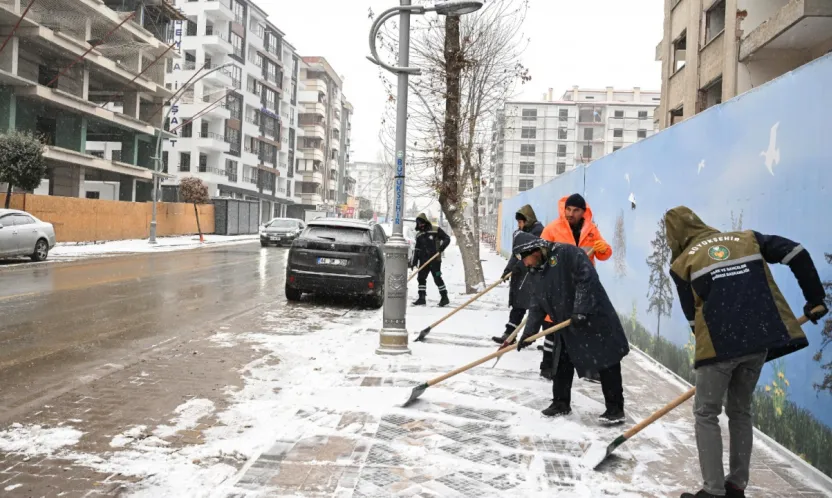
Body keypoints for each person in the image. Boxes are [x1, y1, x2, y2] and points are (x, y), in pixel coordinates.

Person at [665, 206, 828, 498]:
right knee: (740, 411)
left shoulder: (682, 262)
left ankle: (713, 491)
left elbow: (693, 320)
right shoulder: (747, 238)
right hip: (758, 342)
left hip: (719, 347)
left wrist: (718, 353)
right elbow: (797, 253)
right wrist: (815, 297)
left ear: (674, 236)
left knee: (706, 413)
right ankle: (736, 485)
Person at [513, 231, 629, 424]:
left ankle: (615, 409)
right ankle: (560, 403)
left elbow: (587, 278)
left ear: (534, 251)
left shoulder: (567, 253)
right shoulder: (536, 271)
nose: (525, 264)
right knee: (561, 362)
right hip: (566, 323)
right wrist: (529, 334)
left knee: (606, 362)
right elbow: (537, 304)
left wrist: (581, 309)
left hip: (593, 319)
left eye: (524, 258)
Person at [538, 193, 612, 381]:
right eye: (568, 209)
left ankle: (588, 369)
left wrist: (604, 249)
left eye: (575, 210)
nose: (570, 213)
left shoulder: (591, 230)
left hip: (584, 287)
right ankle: (547, 366)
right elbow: (540, 254)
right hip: (559, 284)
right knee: (554, 326)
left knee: (584, 327)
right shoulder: (553, 229)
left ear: (583, 212)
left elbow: (603, 254)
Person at [492, 205, 544, 345]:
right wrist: (508, 270)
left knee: (538, 308)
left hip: (534, 275)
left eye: (520, 222)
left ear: (527, 220)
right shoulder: (521, 234)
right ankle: (509, 334)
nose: (519, 225)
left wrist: (517, 268)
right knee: (518, 304)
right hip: (522, 276)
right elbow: (516, 255)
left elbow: (530, 256)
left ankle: (534, 339)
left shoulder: (539, 233)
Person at [410, 213, 452, 307]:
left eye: (421, 223)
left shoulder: (435, 230)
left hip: (435, 260)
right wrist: (414, 261)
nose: (420, 225)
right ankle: (421, 298)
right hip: (423, 260)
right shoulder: (419, 235)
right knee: (421, 278)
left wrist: (441, 248)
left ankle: (444, 297)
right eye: (418, 223)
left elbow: (447, 239)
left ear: (425, 222)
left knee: (437, 278)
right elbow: (417, 249)